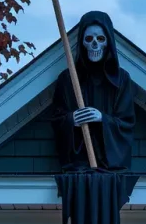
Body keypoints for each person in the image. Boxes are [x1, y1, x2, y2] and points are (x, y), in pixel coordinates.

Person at [51, 10, 135, 171]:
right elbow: (57, 120)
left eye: (100, 39)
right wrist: (72, 120)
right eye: (89, 39)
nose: (95, 44)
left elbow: (126, 123)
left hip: (110, 169)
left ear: (108, 42)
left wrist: (102, 119)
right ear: (82, 42)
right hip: (78, 166)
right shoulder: (68, 79)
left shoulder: (122, 80)